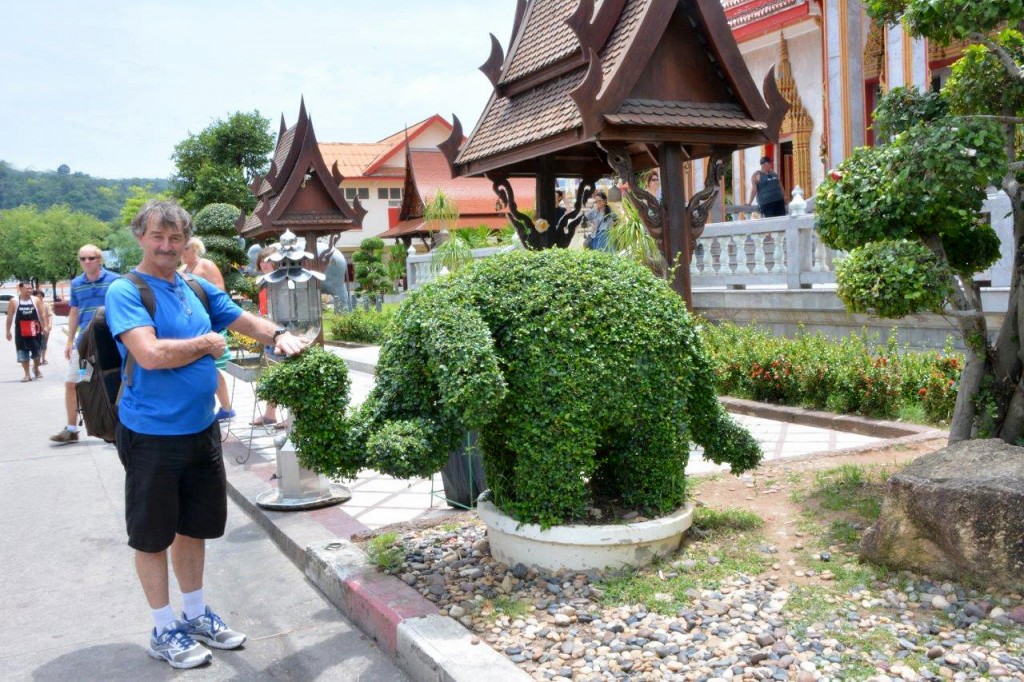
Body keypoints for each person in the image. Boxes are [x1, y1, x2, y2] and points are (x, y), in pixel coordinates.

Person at [105, 200, 308, 669]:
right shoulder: (127, 290)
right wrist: (206, 344)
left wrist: (277, 334)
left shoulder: (192, 286)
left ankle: (194, 615)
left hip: (200, 431)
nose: (166, 246)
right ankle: (162, 627)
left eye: (175, 239)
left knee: (192, 528)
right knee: (152, 535)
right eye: (158, 237)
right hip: (151, 433)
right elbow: (150, 354)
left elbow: (240, 317)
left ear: (185, 242)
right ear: (140, 237)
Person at [51, 244, 120, 444]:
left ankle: (118, 426)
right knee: (77, 382)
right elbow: (74, 312)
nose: (86, 262)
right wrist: (70, 339)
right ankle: (72, 429)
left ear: (99, 259)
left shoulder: (115, 281)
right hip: (85, 345)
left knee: (115, 382)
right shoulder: (76, 283)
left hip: (110, 342)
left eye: (91, 258)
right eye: (82, 258)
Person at [181, 237, 234, 422]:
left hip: (209, 323)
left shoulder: (206, 265)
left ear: (194, 248)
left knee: (210, 366)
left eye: (185, 247)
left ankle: (226, 407)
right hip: (191, 326)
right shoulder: (182, 270)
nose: (181, 251)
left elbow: (219, 292)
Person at [251, 245, 281, 427]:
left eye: (268, 260)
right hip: (267, 331)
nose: (264, 264)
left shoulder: (281, 281)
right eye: (262, 260)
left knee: (282, 373)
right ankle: (270, 414)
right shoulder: (263, 282)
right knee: (270, 373)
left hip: (281, 332)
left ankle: (292, 416)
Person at [5, 282, 44, 382]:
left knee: (37, 352)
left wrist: (45, 326)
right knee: (22, 352)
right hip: (20, 332)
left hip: (35, 330)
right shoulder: (14, 301)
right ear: (20, 289)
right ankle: (27, 374)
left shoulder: (36, 300)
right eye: (27, 288)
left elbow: (42, 314)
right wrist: (7, 331)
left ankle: (36, 368)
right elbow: (9, 317)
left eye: (31, 288)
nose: (29, 290)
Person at [32, 288, 53, 365]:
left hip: (45, 327)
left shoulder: (46, 305)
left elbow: (50, 315)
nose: (39, 297)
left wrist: (50, 324)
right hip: (35, 328)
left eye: (40, 296)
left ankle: (43, 358)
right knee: (36, 344)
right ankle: (38, 359)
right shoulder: (32, 306)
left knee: (44, 343)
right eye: (37, 296)